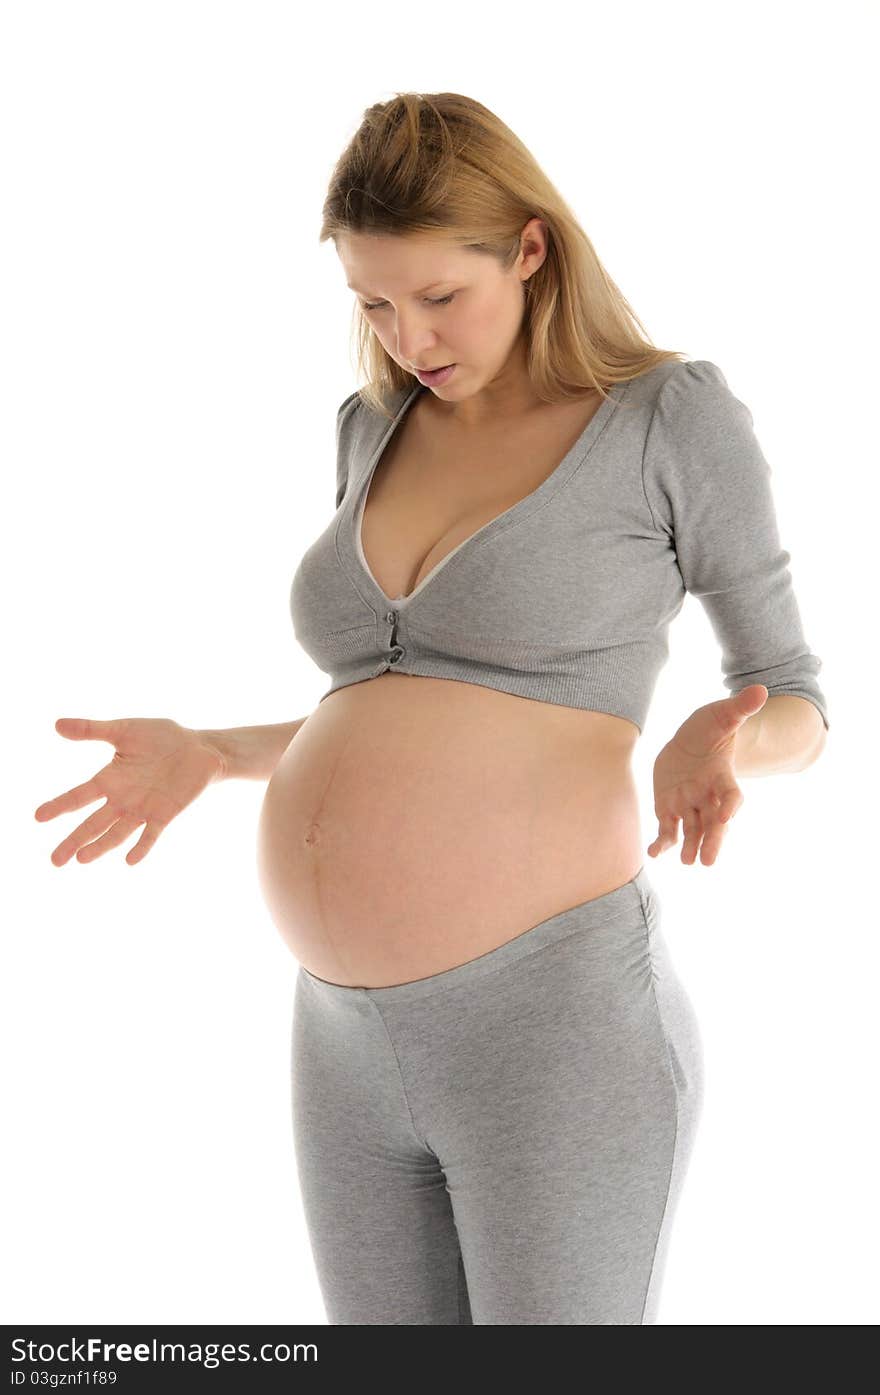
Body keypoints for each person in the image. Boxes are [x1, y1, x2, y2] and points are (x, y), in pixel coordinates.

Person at [35, 92, 829, 1325]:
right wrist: (209, 753)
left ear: (528, 246)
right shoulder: (371, 428)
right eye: (372, 302)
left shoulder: (667, 421)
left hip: (551, 1021)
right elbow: (397, 712)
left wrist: (718, 740)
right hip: (339, 1040)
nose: (408, 334)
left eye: (438, 296)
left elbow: (798, 699)